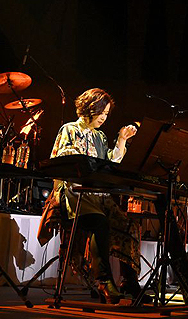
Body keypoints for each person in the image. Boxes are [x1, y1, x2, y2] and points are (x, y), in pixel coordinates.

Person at [48, 88, 140, 302]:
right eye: (102, 112)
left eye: (107, 114)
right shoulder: (69, 129)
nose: (104, 118)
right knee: (99, 222)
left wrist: (121, 140)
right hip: (74, 193)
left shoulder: (100, 136)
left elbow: (109, 163)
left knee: (128, 225)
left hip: (98, 194)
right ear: (90, 108)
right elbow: (62, 161)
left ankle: (129, 281)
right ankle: (104, 281)